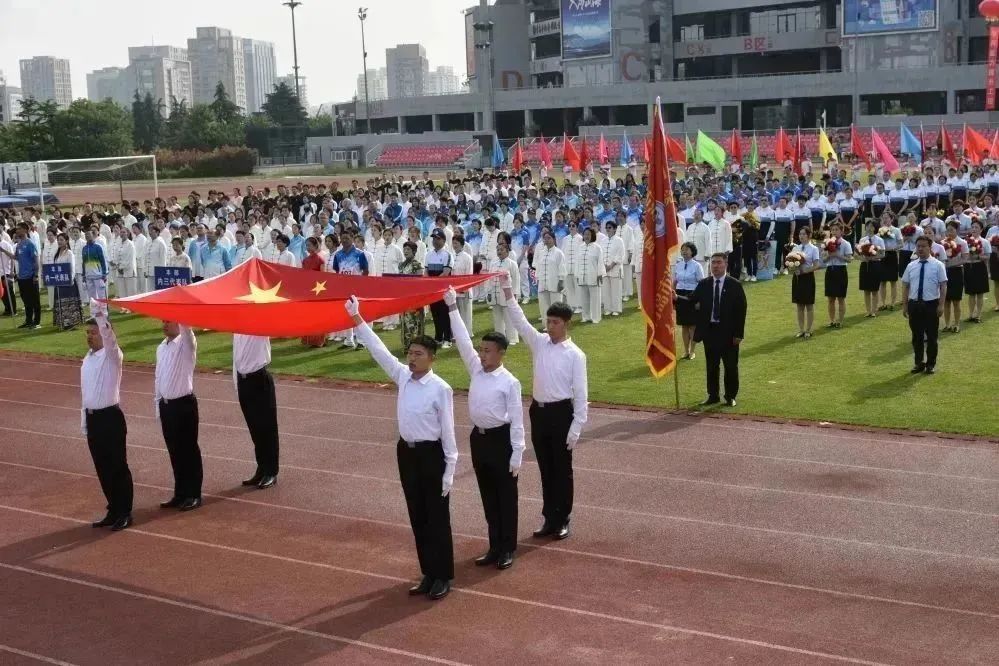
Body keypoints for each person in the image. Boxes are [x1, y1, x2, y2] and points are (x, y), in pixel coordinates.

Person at [349, 297, 457, 601]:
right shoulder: (402, 377)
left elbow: (449, 433)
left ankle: (443, 575)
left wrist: (450, 470)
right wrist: (357, 318)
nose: (411, 358)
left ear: (432, 358)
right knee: (417, 514)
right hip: (406, 454)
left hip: (431, 455)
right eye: (410, 353)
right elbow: (379, 350)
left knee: (437, 518)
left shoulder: (441, 389)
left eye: (418, 354)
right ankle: (428, 573)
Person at [500, 273, 588, 541]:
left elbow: (581, 393)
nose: (550, 326)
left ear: (566, 324)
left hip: (562, 414)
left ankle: (563, 518)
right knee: (545, 469)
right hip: (539, 412)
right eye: (548, 321)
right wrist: (507, 290)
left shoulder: (576, 355)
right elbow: (519, 320)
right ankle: (549, 517)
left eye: (555, 322)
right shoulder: (539, 343)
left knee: (562, 470)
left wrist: (576, 427)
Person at [444, 287, 524, 570]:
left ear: (501, 353)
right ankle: (494, 546)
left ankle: (507, 547)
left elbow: (517, 420)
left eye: (487, 351)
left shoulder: (509, 382)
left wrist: (517, 453)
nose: (481, 354)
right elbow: (462, 341)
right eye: (481, 350)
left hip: (501, 441)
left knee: (505, 497)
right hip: (479, 440)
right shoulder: (476, 370)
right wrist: (452, 308)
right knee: (488, 496)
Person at [81, 300, 134, 531]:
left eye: (93, 333)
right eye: (87, 333)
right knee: (102, 468)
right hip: (93, 419)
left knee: (117, 467)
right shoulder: (87, 359)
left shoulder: (112, 356)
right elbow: (85, 393)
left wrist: (101, 317)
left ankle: (125, 512)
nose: (89, 336)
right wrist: (84, 421)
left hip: (110, 419)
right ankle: (113, 509)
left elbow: (110, 340)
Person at [155, 321, 203, 511]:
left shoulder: (186, 343)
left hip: (184, 405)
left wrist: (181, 312)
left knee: (189, 451)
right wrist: (158, 406)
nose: (164, 324)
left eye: (169, 320)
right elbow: (158, 377)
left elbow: (187, 329)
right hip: (166, 406)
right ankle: (180, 492)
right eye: (163, 321)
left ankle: (194, 494)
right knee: (174, 451)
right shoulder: (161, 347)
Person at [692, 253, 747, 408]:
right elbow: (691, 300)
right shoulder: (704, 284)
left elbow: (741, 311)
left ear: (725, 264)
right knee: (711, 366)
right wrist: (676, 298)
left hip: (729, 333)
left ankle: (730, 396)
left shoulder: (734, 285)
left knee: (730, 366)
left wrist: (738, 334)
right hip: (710, 332)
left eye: (719, 262)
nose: (715, 266)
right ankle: (713, 395)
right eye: (713, 263)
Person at [233, 334, 279, 489]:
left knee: (267, 428)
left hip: (259, 379)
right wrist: (237, 384)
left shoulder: (258, 325)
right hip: (243, 380)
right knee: (255, 429)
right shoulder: (237, 330)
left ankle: (271, 472)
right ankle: (262, 468)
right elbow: (236, 356)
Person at [901, 236, 947, 375]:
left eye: (923, 246)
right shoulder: (911, 266)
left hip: (931, 304)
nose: (920, 249)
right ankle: (919, 363)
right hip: (914, 305)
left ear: (930, 248)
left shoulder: (938, 265)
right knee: (917, 336)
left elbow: (943, 285)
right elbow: (905, 286)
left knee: (932, 336)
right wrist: (905, 305)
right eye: (918, 246)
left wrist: (941, 305)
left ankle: (930, 364)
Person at [1, 223, 41, 328]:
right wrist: (3, 251)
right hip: (22, 277)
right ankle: (28, 321)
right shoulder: (19, 244)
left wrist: (36, 275)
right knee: (26, 300)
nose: (17, 231)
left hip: (31, 277)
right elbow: (15, 257)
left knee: (34, 300)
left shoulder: (30, 244)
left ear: (25, 230)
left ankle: (37, 322)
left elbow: (36, 260)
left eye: (19, 229)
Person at [673, 242, 704, 359]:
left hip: (692, 295)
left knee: (692, 326)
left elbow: (701, 284)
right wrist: (673, 297)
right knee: (684, 325)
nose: (684, 252)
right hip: (680, 295)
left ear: (692, 252)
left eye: (687, 249)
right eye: (683, 250)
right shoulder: (678, 265)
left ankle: (692, 351)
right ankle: (686, 350)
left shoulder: (697, 266)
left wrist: (699, 301)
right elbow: (675, 281)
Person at [424, 229, 454, 348]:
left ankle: (447, 338)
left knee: (444, 314)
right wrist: (430, 284)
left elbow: (446, 272)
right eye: (434, 238)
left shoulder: (447, 255)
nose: (435, 241)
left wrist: (433, 283)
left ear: (443, 240)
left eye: (438, 238)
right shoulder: (428, 255)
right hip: (433, 289)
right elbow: (426, 271)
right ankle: (438, 337)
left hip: (443, 289)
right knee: (435, 313)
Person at [789, 227, 820, 339]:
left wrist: (805, 271)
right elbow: (790, 263)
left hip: (808, 278)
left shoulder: (814, 249)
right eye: (800, 234)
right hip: (797, 278)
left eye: (803, 234)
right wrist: (793, 268)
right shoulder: (796, 248)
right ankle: (801, 330)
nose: (801, 236)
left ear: (809, 235)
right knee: (799, 305)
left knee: (809, 305)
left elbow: (816, 265)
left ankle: (808, 330)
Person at [820, 221, 852, 329]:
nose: (834, 232)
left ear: (841, 231)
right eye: (832, 230)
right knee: (830, 298)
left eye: (836, 230)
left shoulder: (846, 244)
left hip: (841, 270)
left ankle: (840, 321)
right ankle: (832, 320)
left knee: (841, 298)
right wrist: (829, 255)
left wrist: (837, 255)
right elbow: (824, 260)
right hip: (830, 270)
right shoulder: (826, 243)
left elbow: (849, 259)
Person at [488, 243, 520, 346]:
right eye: (498, 250)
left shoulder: (512, 264)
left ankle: (512, 338)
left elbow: (516, 280)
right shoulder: (493, 263)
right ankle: (499, 338)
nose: (499, 252)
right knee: (497, 318)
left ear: (507, 251)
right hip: (495, 294)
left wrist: (514, 295)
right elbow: (489, 279)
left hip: (507, 295)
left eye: (501, 250)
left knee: (509, 317)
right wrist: (489, 292)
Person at [398, 242, 426, 350]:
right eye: (404, 249)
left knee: (415, 322)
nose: (405, 251)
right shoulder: (401, 265)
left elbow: (420, 282)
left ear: (414, 251)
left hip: (415, 298)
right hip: (404, 298)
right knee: (405, 321)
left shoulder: (417, 265)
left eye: (408, 249)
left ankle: (417, 346)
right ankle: (407, 346)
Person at [534, 230, 566, 322]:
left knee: (556, 306)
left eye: (549, 238)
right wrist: (538, 279)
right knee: (544, 306)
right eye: (545, 238)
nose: (547, 240)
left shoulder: (558, 253)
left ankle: (558, 324)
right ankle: (546, 324)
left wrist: (561, 281)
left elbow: (562, 268)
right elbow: (538, 267)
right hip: (543, 283)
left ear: (554, 239)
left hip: (554, 283)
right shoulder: (541, 252)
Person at [52, 232, 82, 330]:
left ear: (66, 241)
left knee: (69, 303)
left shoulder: (69, 253)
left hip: (68, 282)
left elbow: (72, 268)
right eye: (58, 240)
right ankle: (62, 322)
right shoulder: (57, 254)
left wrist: (70, 280)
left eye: (61, 240)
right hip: (59, 281)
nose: (59, 242)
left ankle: (71, 323)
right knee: (60, 302)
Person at [963, 220, 990, 323]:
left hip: (979, 267)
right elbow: (962, 255)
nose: (974, 229)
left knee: (979, 293)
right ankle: (971, 315)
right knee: (971, 293)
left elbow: (987, 256)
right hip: (968, 267)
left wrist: (978, 256)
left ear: (981, 230)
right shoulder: (966, 241)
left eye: (976, 227)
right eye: (972, 227)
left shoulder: (984, 242)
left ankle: (978, 315)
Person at [857, 221, 885, 318]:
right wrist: (863, 258)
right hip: (865, 265)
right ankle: (868, 311)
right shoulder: (862, 240)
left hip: (875, 265)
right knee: (866, 290)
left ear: (875, 228)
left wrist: (873, 258)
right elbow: (858, 254)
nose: (869, 228)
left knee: (874, 289)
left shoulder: (879, 240)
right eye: (868, 226)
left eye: (871, 226)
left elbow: (882, 254)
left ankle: (874, 311)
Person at [577, 227, 605, 323]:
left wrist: (600, 274)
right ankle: (585, 316)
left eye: (588, 234)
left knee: (595, 298)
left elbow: (600, 262)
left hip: (594, 276)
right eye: (585, 234)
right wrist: (577, 275)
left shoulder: (597, 248)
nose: (586, 236)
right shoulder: (580, 247)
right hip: (582, 275)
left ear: (592, 235)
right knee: (584, 298)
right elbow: (577, 262)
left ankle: (596, 318)